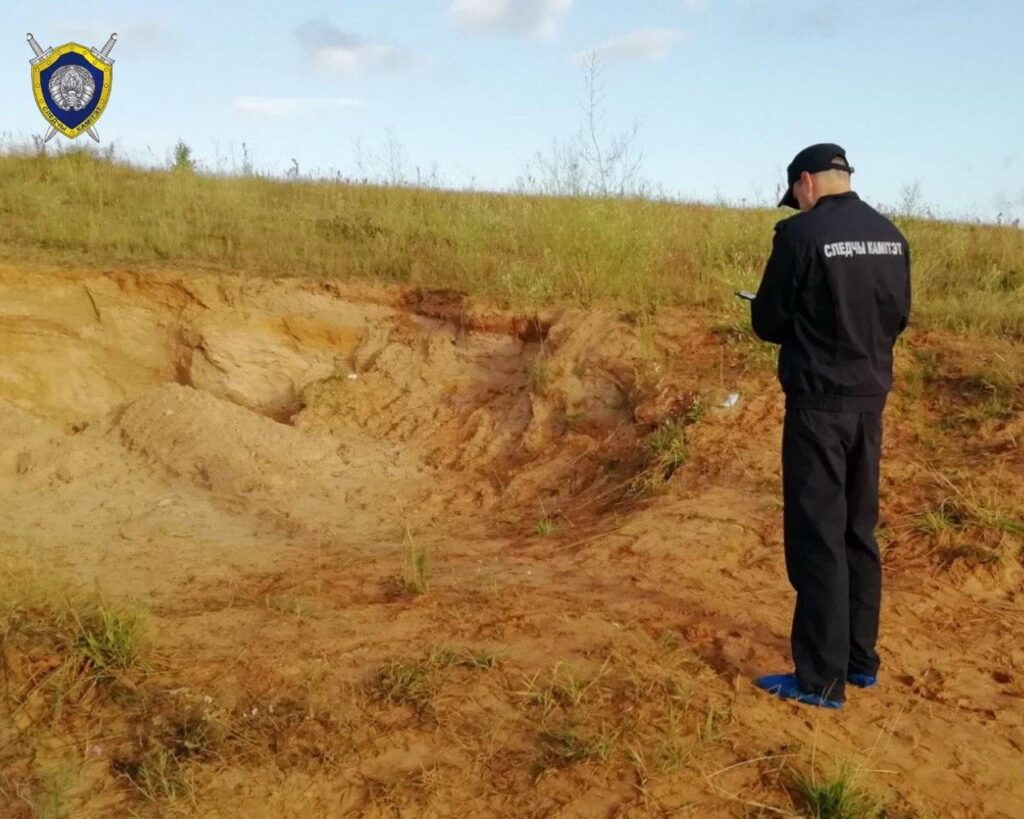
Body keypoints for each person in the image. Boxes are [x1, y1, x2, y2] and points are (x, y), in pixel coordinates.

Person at [749, 143, 912, 709]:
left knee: (818, 536)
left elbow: (769, 321)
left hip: (818, 405)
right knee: (857, 533)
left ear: (806, 183)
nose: (797, 202)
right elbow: (899, 317)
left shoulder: (799, 235)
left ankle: (820, 680)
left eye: (796, 194)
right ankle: (860, 661)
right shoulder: (891, 234)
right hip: (870, 401)